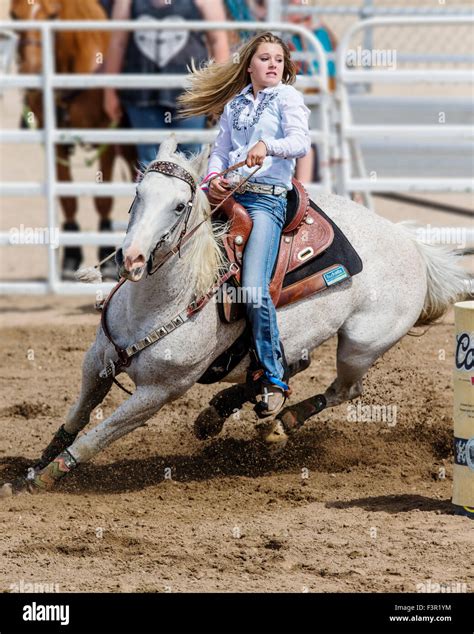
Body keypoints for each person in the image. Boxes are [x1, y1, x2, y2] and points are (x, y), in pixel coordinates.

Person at [178, 31, 310, 417]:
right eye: (265, 58)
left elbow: (300, 142)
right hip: (229, 196)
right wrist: (211, 178)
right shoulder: (235, 103)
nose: (273, 64)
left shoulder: (288, 98)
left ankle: (273, 376)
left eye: (279, 60)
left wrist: (267, 146)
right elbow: (219, 151)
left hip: (268, 199)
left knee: (253, 287)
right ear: (249, 64)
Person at [103, 0, 230, 165]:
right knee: (150, 160)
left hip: (191, 94)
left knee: (190, 159)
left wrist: (219, 90)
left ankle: (186, 191)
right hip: (142, 94)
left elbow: (218, 41)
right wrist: (109, 90)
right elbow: (118, 43)